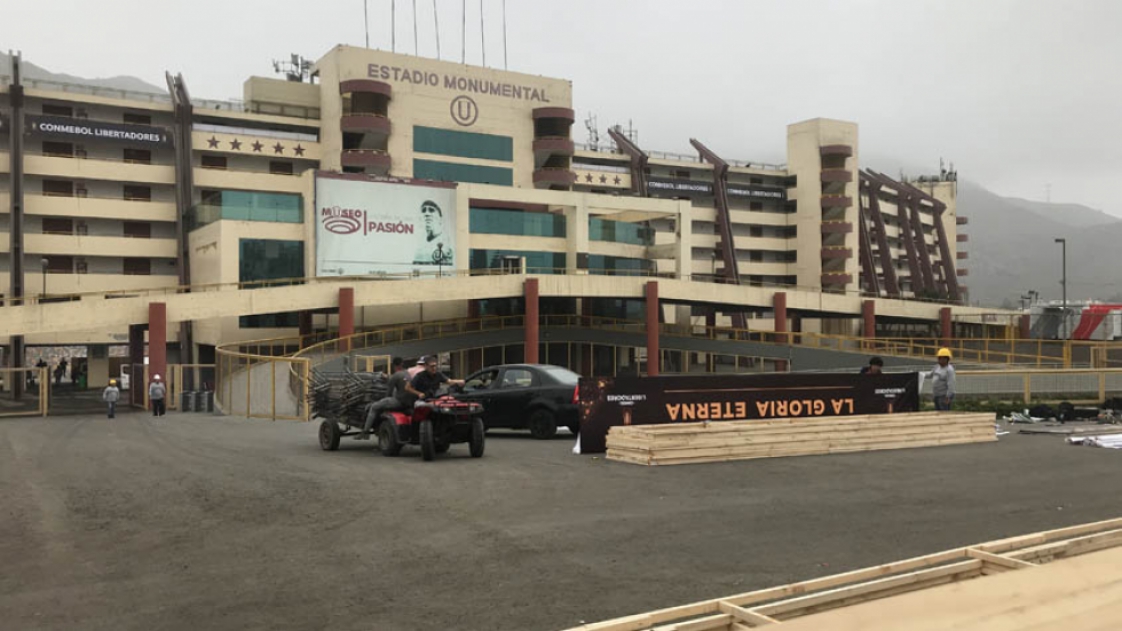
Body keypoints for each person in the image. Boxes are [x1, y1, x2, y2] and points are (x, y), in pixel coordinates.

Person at [358, 357, 408, 440]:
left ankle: (365, 432)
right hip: (408, 402)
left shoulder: (396, 375)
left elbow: (389, 393)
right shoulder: (407, 373)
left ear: (394, 366)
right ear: (402, 364)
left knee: (373, 407)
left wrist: (383, 401)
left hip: (399, 401)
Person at [412, 200, 453, 266]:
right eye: (423, 210)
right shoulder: (420, 246)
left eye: (431, 210)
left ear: (440, 219)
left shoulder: (446, 244)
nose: (426, 214)